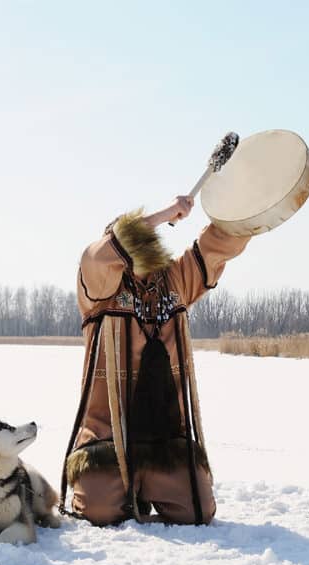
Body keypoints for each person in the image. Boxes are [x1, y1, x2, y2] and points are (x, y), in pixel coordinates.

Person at [59, 195, 250, 525]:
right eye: (136, 239)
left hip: (164, 437)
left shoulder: (174, 281)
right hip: (107, 438)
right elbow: (99, 255)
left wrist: (248, 205)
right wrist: (163, 215)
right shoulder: (100, 287)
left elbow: (215, 246)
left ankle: (144, 487)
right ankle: (124, 488)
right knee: (100, 512)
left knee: (198, 510)